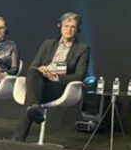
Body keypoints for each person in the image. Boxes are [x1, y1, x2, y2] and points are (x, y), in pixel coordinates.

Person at [11, 12, 90, 142]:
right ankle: (34, 108)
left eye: (73, 27)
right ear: (60, 27)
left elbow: (80, 75)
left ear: (77, 30)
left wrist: (57, 78)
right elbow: (34, 65)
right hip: (40, 82)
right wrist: (42, 69)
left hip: (59, 86)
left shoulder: (83, 48)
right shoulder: (48, 44)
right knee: (32, 71)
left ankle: (18, 137)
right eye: (66, 26)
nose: (69, 30)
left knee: (31, 98)